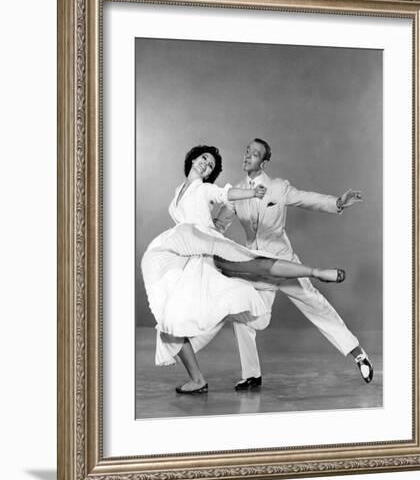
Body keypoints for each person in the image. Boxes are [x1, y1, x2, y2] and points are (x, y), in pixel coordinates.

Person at [141, 145, 346, 395]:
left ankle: (316, 273)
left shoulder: (205, 188)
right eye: (204, 158)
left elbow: (225, 194)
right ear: (193, 159)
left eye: (212, 165)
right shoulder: (177, 192)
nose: (207, 164)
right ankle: (197, 380)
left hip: (206, 248)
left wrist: (251, 194)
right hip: (185, 254)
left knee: (254, 261)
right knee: (168, 323)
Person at [213, 139, 374, 390]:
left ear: (264, 162)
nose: (248, 156)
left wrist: (338, 203)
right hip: (256, 269)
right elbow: (219, 225)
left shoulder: (278, 187)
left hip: (285, 264)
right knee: (244, 315)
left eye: (255, 154)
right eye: (247, 152)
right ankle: (252, 375)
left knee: (318, 307)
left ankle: (359, 356)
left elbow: (307, 199)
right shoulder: (236, 191)